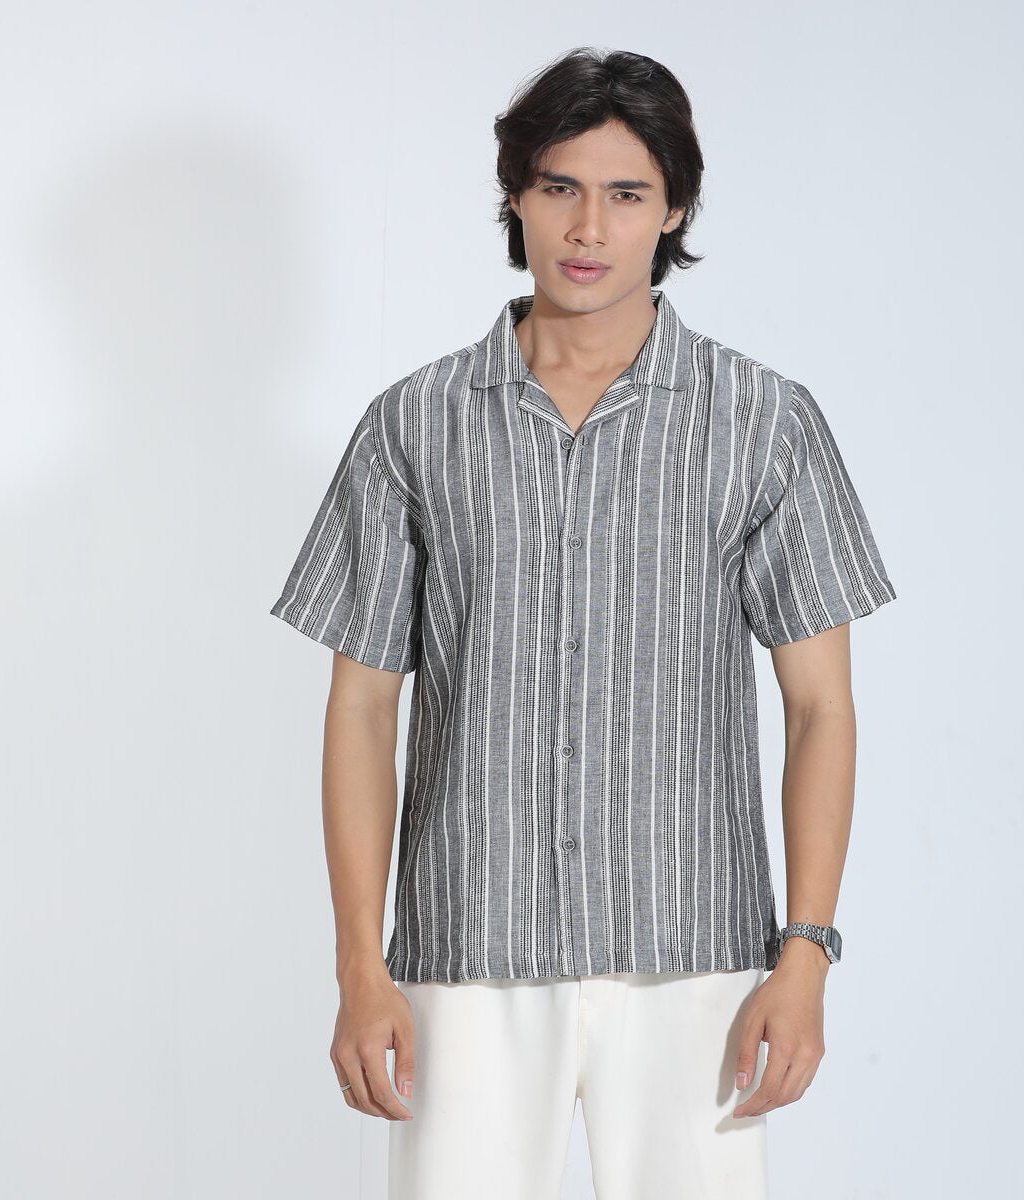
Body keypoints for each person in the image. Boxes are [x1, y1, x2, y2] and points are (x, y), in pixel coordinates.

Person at [269, 45, 897, 1200]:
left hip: (695, 958)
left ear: (674, 210)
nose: (589, 227)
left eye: (627, 193)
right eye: (559, 186)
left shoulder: (763, 423)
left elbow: (821, 709)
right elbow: (360, 711)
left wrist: (805, 955)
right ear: (515, 196)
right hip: (467, 950)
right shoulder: (413, 427)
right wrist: (361, 965)